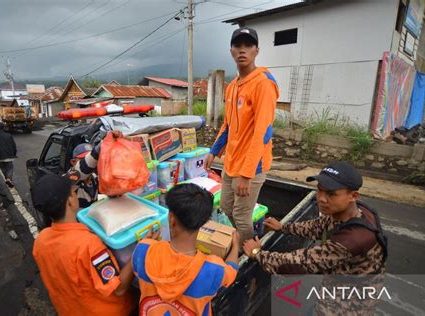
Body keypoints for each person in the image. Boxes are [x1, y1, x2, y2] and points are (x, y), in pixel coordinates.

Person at [205, 27, 279, 247]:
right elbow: (228, 125)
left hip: (252, 165)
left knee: (241, 216)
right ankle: (245, 238)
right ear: (231, 51)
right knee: (227, 207)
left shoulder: (263, 83)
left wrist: (247, 175)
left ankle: (251, 252)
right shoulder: (232, 87)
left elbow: (263, 133)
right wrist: (214, 150)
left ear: (257, 50)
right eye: (238, 45)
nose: (242, 50)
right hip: (232, 160)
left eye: (248, 45)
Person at [243, 162, 387, 275]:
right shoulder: (349, 210)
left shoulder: (353, 239)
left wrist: (257, 253)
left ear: (353, 196)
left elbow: (300, 264)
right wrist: (283, 227)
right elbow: (319, 225)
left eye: (331, 194)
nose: (321, 199)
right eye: (319, 190)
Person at [31, 173, 138, 316]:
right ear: (70, 202)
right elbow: (118, 289)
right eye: (73, 192)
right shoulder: (88, 244)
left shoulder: (41, 240)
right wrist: (139, 249)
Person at [132, 183, 240, 315]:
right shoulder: (214, 269)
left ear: (171, 219)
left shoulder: (143, 250)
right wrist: (235, 246)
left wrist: (148, 243)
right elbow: (232, 270)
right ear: (204, 222)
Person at [69, 143, 98, 208]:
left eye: (94, 160)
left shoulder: (95, 177)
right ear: (73, 162)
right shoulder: (69, 180)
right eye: (84, 159)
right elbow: (79, 172)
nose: (92, 163)